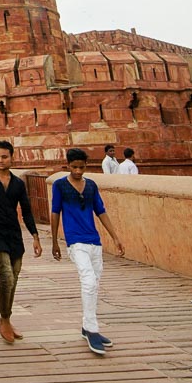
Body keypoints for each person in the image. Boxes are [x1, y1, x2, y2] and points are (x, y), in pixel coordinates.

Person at [51, 148, 126, 356]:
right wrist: (55, 241)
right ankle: (93, 330)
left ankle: (87, 326)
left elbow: (100, 211)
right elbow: (55, 212)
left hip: (94, 241)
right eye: (74, 167)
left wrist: (115, 237)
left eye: (81, 167)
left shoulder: (91, 185)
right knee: (89, 281)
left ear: (86, 166)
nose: (77, 171)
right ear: (67, 165)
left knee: (95, 283)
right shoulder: (59, 185)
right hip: (75, 241)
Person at [0, 140, 41, 344]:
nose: (1, 160)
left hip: (14, 233)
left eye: (4, 157)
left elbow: (27, 210)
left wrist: (35, 237)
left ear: (12, 157)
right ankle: (4, 319)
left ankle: (6, 318)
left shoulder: (18, 183)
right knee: (7, 276)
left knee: (14, 276)